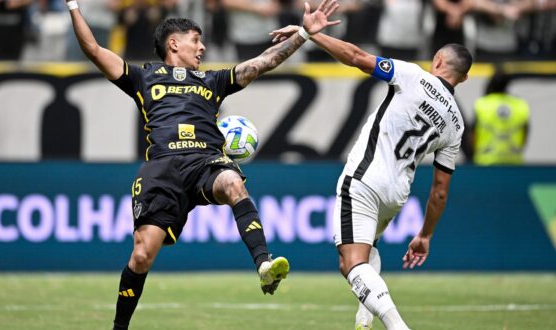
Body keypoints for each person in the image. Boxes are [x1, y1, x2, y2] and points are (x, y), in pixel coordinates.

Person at [64, 0, 340, 329]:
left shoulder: (212, 81)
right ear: (173, 43)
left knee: (233, 184)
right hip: (162, 169)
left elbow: (263, 62)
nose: (202, 46)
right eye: (196, 39)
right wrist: (73, 6)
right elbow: (93, 49)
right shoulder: (143, 77)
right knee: (141, 255)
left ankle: (264, 264)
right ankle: (119, 327)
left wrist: (304, 35)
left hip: (206, 160)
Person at [271, 26, 472, 329]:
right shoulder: (456, 124)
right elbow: (440, 191)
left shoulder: (413, 75)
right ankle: (364, 320)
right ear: (465, 78)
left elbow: (356, 57)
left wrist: (311, 34)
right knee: (360, 256)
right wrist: (425, 234)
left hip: (365, 179)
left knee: (352, 264)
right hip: (396, 195)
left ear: (438, 61)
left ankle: (397, 326)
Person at [471, 73, 530, 165]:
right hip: (514, 161)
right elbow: (525, 134)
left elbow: (473, 134)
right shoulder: (520, 104)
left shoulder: (482, 104)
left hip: (485, 162)